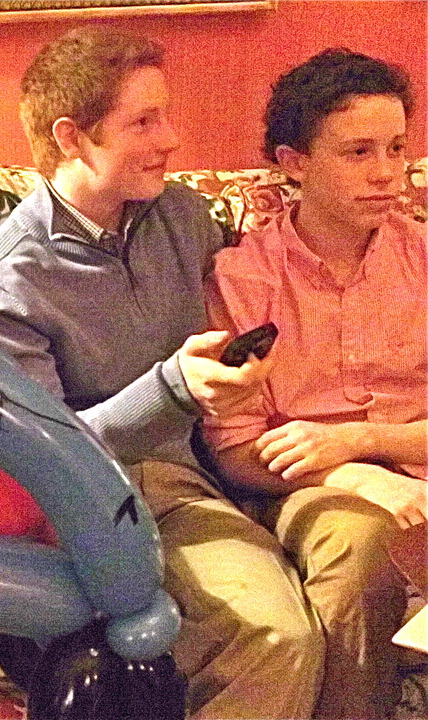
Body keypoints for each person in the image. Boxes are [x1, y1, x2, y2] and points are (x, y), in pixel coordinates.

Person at [0, 26, 326, 718]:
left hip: (216, 465)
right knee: (277, 635)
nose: (172, 139)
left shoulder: (184, 217)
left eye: (166, 116)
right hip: (100, 498)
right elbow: (44, 452)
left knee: (339, 597)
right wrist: (174, 388)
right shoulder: (6, 282)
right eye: (144, 121)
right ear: (72, 137)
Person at [204, 48, 424, 719]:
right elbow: (236, 449)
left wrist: (357, 442)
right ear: (293, 162)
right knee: (361, 545)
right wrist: (349, 475)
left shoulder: (422, 258)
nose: (388, 173)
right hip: (302, 491)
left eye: (397, 148)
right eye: (358, 153)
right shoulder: (244, 279)